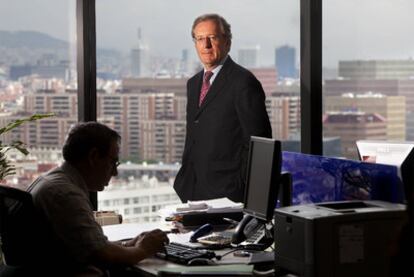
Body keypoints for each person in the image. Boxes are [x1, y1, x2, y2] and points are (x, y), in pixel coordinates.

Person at [28, 122, 169, 276]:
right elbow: (103, 255)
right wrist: (143, 249)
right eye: (112, 162)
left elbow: (91, 246)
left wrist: (128, 245)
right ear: (93, 157)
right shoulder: (65, 194)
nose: (115, 172)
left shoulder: (54, 181)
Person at [174, 14, 272, 203]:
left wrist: (239, 188)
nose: (206, 45)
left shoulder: (243, 82)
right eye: (200, 39)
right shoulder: (193, 84)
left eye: (213, 37)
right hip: (193, 190)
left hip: (227, 194)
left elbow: (259, 143)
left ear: (227, 42)